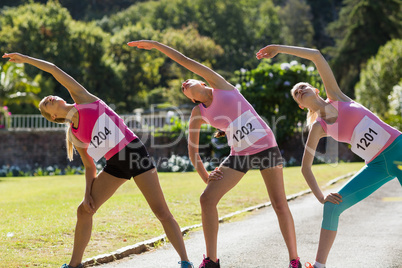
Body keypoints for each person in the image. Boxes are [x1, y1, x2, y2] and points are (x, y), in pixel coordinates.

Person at [2, 52, 194, 268]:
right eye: (47, 103)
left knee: (161, 212)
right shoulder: (74, 134)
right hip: (115, 164)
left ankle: (186, 262)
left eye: (49, 97)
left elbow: (54, 70)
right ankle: (74, 265)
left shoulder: (83, 98)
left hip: (133, 153)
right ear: (53, 117)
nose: (50, 98)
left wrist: (26, 59)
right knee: (84, 210)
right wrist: (87, 195)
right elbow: (89, 166)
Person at [128, 40, 302, 268]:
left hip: (265, 146)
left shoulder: (221, 85)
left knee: (279, 204)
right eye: (183, 88)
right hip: (239, 154)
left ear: (201, 81)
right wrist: (205, 176)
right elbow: (192, 151)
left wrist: (156, 45)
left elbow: (185, 61)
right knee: (206, 199)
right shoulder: (198, 113)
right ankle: (211, 260)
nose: (184, 83)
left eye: (187, 81)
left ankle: (294, 260)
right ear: (192, 98)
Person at [256, 44, 402, 268]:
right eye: (297, 93)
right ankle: (319, 265)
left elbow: (315, 56)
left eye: (303, 87)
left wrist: (278, 49)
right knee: (332, 207)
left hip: (397, 150)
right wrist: (321, 196)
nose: (300, 91)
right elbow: (305, 168)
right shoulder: (318, 128)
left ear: (315, 90)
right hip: (376, 165)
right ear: (300, 105)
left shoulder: (337, 96)